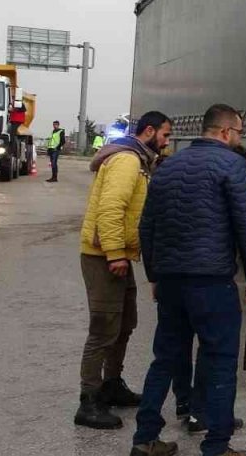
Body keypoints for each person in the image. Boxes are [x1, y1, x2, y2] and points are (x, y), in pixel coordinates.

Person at [132, 104, 246, 456]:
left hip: (172, 281)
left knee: (165, 358)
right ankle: (217, 445)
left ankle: (145, 439)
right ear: (225, 133)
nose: (239, 139)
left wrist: (154, 275)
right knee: (221, 358)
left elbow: (147, 226)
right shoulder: (232, 166)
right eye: (239, 133)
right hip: (211, 281)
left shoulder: (168, 165)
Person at [73, 111, 172, 430]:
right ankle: (88, 400)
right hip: (104, 255)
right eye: (165, 135)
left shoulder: (139, 160)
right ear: (149, 131)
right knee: (103, 328)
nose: (167, 142)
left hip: (118, 255)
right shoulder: (128, 161)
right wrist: (115, 252)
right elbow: (111, 209)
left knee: (125, 322)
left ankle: (112, 384)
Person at [173, 144, 246, 436]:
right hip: (224, 270)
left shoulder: (179, 173)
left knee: (178, 342)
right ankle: (209, 417)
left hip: (180, 271)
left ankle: (185, 404)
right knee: (217, 349)